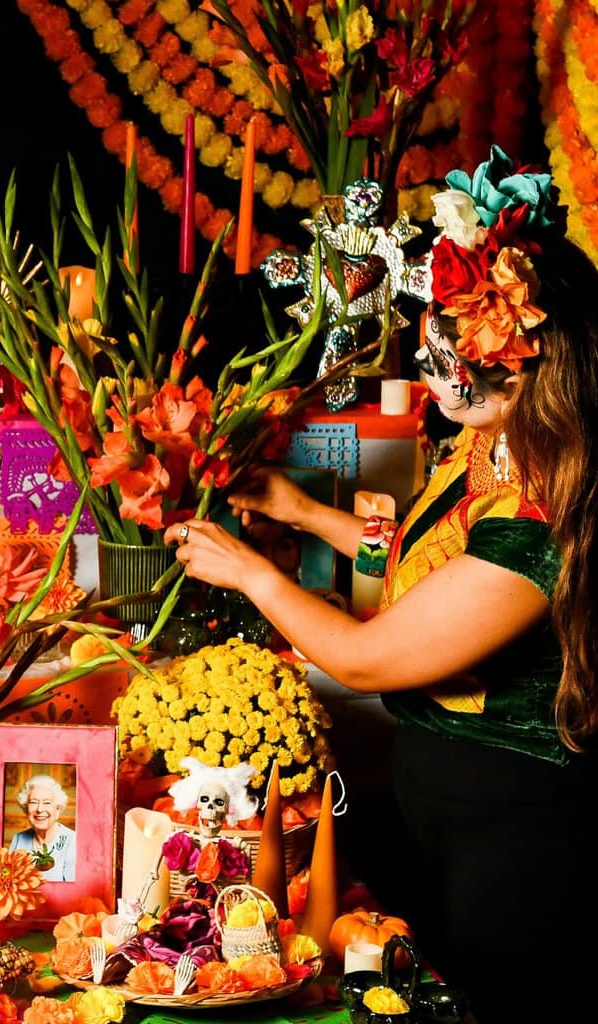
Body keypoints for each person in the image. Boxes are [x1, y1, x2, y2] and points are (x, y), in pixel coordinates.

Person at [163, 148, 598, 1020]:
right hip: (443, 795)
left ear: (527, 362)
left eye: (452, 348)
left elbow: (368, 657)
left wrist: (249, 571)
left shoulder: (545, 514)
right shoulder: (490, 445)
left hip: (513, 822)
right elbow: (438, 563)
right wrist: (303, 513)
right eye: (431, 336)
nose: (431, 369)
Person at [7, 774, 76, 882]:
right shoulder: (18, 839)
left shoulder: (73, 840)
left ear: (57, 809)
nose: (39, 809)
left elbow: (74, 891)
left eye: (47, 802)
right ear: (26, 809)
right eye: (33, 802)